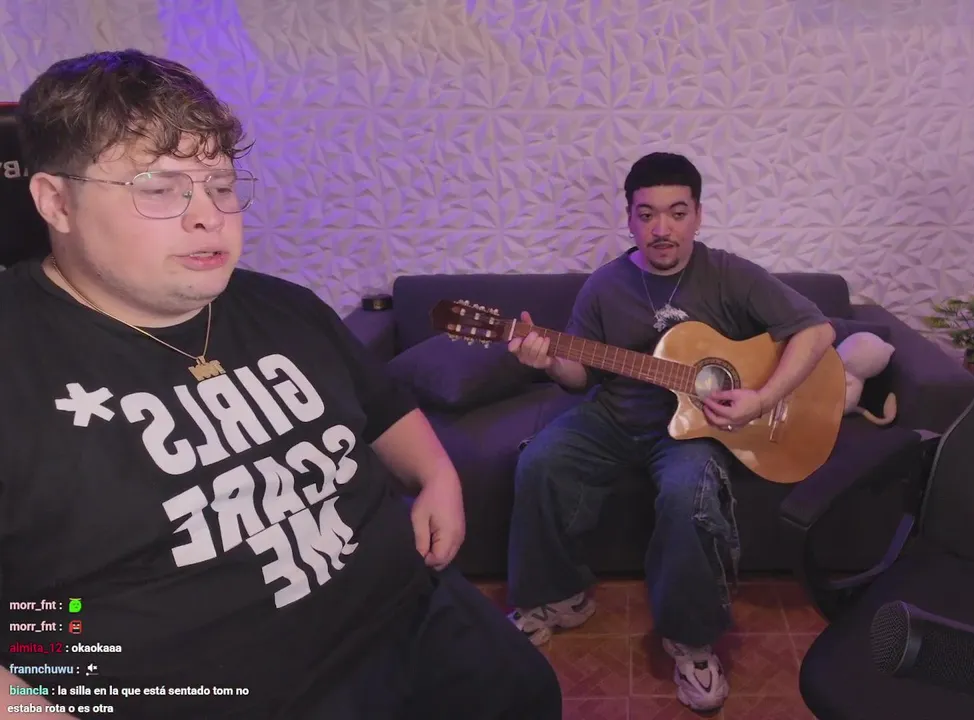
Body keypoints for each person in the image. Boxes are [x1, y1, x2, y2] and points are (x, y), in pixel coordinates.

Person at [0, 49, 560, 720]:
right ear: (56, 201)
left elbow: (382, 406)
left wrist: (438, 476)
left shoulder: (283, 306)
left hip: (414, 621)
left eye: (220, 185)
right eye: (160, 188)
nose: (209, 216)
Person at [504, 152, 836, 712]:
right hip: (614, 415)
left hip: (695, 428)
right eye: (647, 214)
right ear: (630, 219)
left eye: (677, 213)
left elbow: (817, 330)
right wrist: (549, 360)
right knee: (538, 460)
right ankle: (555, 598)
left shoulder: (729, 274)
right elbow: (580, 376)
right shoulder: (605, 286)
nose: (662, 228)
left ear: (698, 216)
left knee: (688, 495)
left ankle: (692, 641)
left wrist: (762, 397)